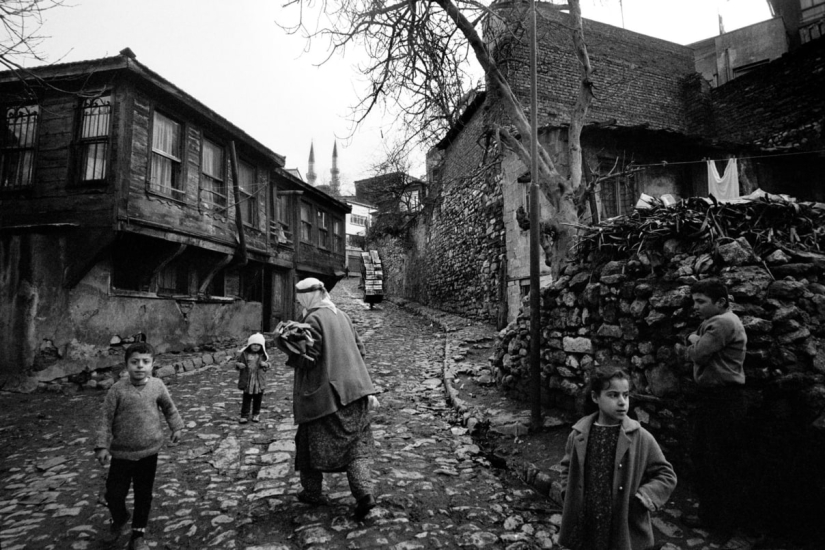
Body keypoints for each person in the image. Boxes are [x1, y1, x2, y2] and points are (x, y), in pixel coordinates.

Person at [285, 277, 379, 520]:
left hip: (326, 399)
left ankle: (312, 492)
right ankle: (364, 495)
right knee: (354, 448)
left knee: (307, 445)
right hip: (355, 393)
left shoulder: (312, 319)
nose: (299, 303)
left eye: (300, 298)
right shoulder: (343, 315)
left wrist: (289, 349)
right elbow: (362, 349)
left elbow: (310, 359)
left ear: (307, 297)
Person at [558, 368, 677, 550]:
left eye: (626, 395)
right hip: (587, 521)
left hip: (622, 523)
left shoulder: (640, 437)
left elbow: (666, 475)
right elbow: (567, 467)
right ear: (595, 397)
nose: (622, 402)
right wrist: (569, 493)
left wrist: (643, 498)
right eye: (613, 395)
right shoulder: (578, 435)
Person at [94, 342, 183, 550]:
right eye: (134, 362)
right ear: (126, 365)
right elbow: (105, 419)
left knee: (144, 494)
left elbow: (169, 408)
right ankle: (120, 517)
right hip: (122, 453)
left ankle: (138, 534)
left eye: (145, 362)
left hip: (149, 452)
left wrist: (176, 427)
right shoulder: (117, 390)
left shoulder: (157, 386)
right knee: (114, 494)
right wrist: (101, 445)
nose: (140, 366)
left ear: (153, 364)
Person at [685, 278, 747, 537]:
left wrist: (692, 338)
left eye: (701, 302)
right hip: (714, 398)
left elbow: (697, 353)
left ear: (721, 302)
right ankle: (711, 517)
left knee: (718, 460)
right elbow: (700, 347)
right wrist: (697, 340)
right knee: (706, 457)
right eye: (694, 301)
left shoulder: (722, 322)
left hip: (723, 400)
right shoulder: (718, 321)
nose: (696, 307)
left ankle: (722, 525)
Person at [235, 333, 271, 424]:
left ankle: (256, 414)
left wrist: (265, 364)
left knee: (257, 398)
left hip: (258, 381)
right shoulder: (244, 354)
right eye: (254, 344)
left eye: (258, 345)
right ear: (250, 345)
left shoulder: (262, 355)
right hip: (248, 380)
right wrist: (239, 365)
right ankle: (244, 415)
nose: (256, 347)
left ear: (261, 346)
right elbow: (236, 363)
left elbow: (269, 365)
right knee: (246, 398)